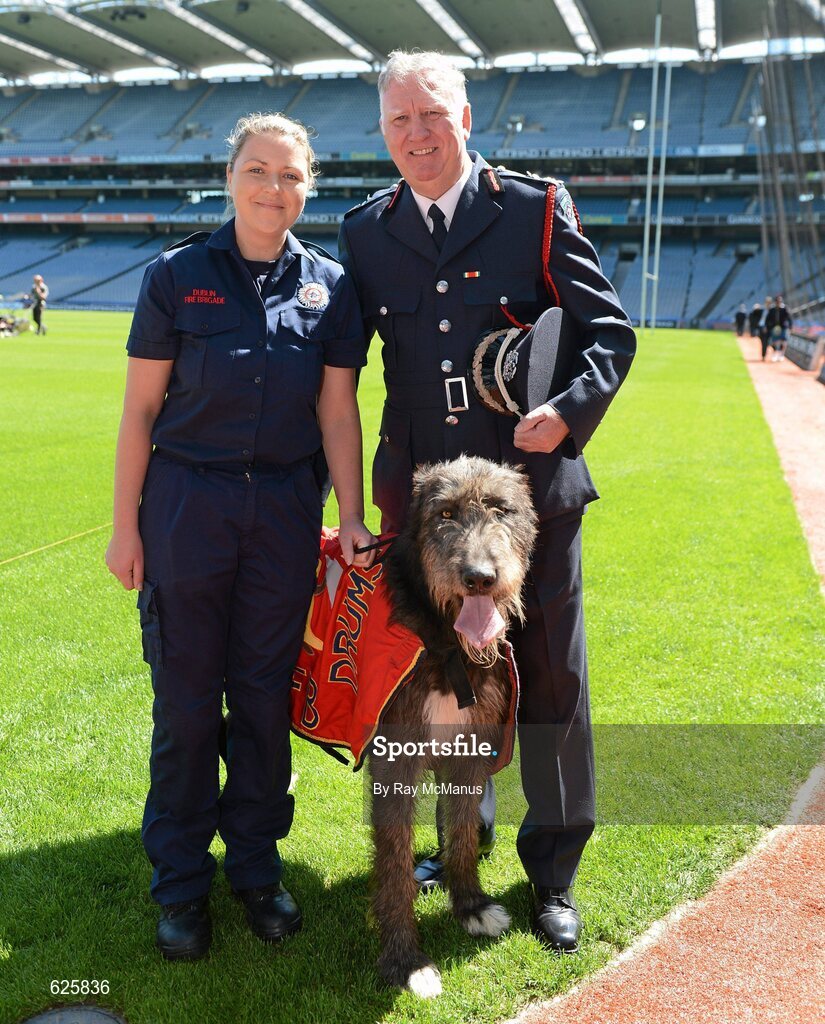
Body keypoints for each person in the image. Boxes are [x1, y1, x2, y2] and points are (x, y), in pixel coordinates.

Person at [338, 51, 636, 954]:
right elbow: (337, 364)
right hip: (423, 518)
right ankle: (461, 844)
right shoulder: (366, 228)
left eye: (432, 114)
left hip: (529, 505)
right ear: (383, 131)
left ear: (465, 116)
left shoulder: (534, 209)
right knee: (448, 684)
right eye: (399, 121)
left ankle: (552, 871)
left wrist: (568, 410)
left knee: (548, 683)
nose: (417, 134)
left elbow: (608, 332)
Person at [105, 112, 374, 961]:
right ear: (231, 177)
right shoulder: (176, 276)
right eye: (258, 171)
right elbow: (140, 410)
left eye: (291, 176)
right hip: (186, 509)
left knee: (260, 703)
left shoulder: (329, 286)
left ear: (309, 186)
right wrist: (125, 527)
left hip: (285, 518)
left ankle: (256, 869)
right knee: (186, 709)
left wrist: (355, 515)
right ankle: (181, 884)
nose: (273, 189)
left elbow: (337, 411)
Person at [766, 294, 792, 361]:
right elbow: (767, 318)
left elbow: (789, 318)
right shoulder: (772, 309)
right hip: (775, 328)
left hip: (783, 327)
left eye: (780, 301)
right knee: (775, 341)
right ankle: (775, 354)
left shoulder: (785, 308)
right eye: (777, 301)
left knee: (783, 341)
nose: (778, 302)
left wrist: (790, 326)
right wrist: (768, 326)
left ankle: (781, 354)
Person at [757, 296, 772, 361]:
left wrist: (766, 327)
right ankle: (764, 353)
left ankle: (764, 354)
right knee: (763, 341)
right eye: (767, 302)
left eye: (769, 302)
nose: (768, 303)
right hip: (761, 327)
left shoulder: (772, 310)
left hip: (768, 328)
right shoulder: (761, 309)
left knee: (766, 342)